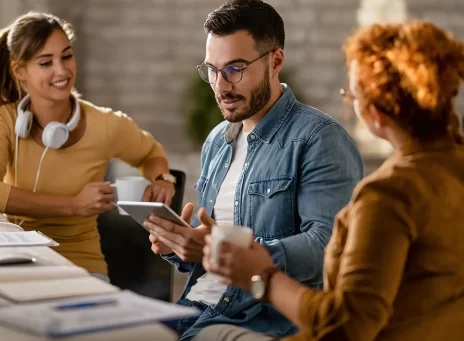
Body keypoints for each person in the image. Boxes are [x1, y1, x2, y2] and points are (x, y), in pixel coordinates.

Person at [196, 20, 464, 341]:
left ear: (376, 112)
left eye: (351, 95)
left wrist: (261, 276)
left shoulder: (388, 195)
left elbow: (347, 325)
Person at [143, 0, 363, 340]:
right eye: (213, 71)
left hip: (256, 317)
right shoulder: (218, 139)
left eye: (235, 68)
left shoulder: (319, 138)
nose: (221, 85)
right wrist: (180, 246)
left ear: (275, 61)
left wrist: (225, 251)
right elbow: (208, 243)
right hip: (193, 308)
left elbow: (329, 247)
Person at [0, 12, 177, 281]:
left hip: (82, 265)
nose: (62, 71)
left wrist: (163, 178)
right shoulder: (4, 119)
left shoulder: (106, 125)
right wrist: (72, 205)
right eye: (46, 62)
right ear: (20, 71)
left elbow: (151, 153)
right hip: (16, 258)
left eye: (66, 56)